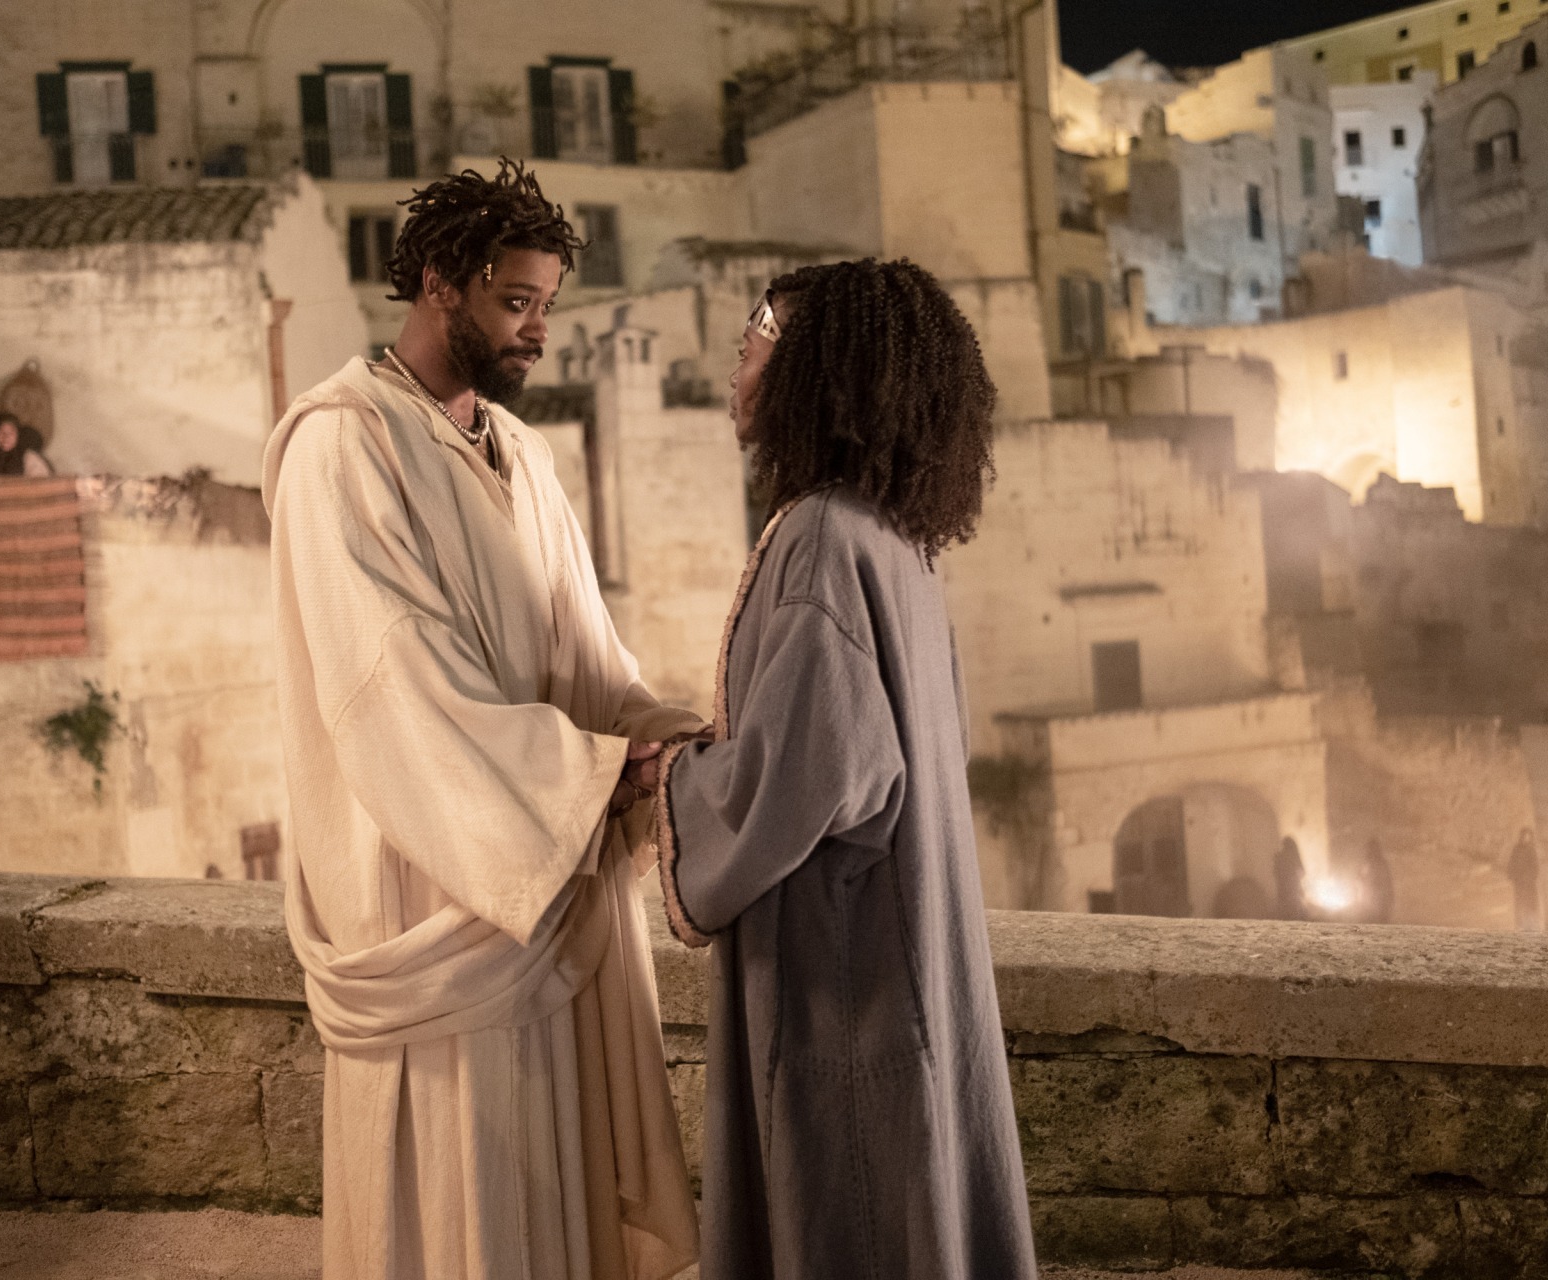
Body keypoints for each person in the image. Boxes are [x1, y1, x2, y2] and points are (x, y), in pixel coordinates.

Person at [262, 159, 699, 1280]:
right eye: (517, 302)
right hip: (441, 893)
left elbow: (584, 654)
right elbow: (393, 678)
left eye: (548, 305)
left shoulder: (527, 457)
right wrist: (587, 776)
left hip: (540, 884)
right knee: (459, 1204)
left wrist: (673, 742)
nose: (538, 333)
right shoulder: (340, 445)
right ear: (440, 283)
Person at [650, 259, 1038, 1279]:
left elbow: (811, 775)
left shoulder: (823, 537)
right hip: (895, 947)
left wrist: (667, 779)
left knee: (855, 1212)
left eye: (757, 338)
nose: (739, 360)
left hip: (847, 975)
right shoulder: (890, 534)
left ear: (820, 366)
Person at [0, 412, 50, 477]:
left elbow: (42, 487)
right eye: (1, 432)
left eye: (11, 432)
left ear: (18, 435)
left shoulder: (29, 459)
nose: (6, 437)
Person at [1509, 828, 1543, 932]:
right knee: (1519, 903)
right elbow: (1511, 863)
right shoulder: (1516, 849)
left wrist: (1529, 878)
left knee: (1530, 904)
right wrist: (1512, 875)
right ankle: (1519, 925)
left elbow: (1535, 867)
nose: (1524, 839)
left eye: (1526, 837)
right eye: (1523, 836)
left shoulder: (1532, 850)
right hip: (1519, 882)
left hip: (1529, 883)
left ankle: (1532, 925)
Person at [1359, 836, 1395, 924]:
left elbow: (1385, 883)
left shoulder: (1380, 864)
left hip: (1378, 902)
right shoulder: (1367, 864)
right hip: (1368, 903)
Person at [1273, 836, 1308, 921]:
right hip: (1292, 887)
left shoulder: (1280, 857)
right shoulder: (1293, 856)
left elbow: (1275, 872)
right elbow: (1302, 871)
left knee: (1286, 909)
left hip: (1284, 888)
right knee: (1293, 910)